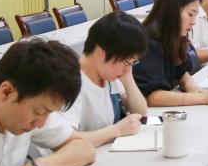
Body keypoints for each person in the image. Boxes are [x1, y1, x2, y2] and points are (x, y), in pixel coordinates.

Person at [53, 12, 150, 148]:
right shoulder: (71, 84)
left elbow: (140, 113)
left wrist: (127, 75)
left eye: (132, 62)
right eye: (126, 61)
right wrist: (117, 130)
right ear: (101, 53)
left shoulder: (107, 73)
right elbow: (66, 141)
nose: (127, 69)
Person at [133, 0, 208, 107]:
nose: (193, 22)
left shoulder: (175, 35)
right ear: (172, 11)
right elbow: (152, 97)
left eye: (195, 15)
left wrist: (189, 84)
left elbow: (180, 70)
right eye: (190, 14)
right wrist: (202, 98)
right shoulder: (147, 43)